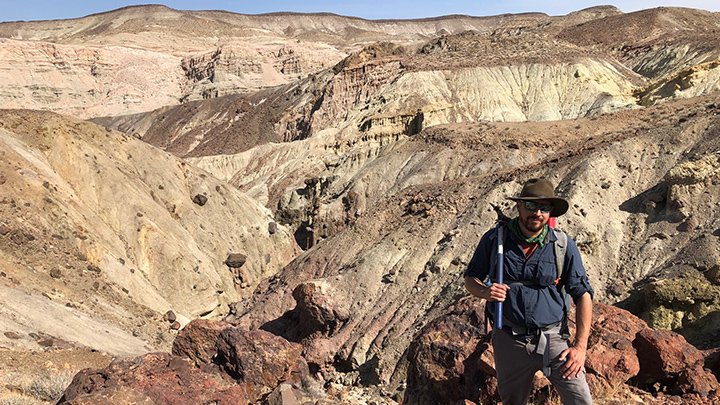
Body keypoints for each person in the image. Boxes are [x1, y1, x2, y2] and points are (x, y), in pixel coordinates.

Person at [464, 178, 594, 405]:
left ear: (551, 212)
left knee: (580, 399)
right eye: (531, 205)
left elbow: (583, 294)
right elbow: (471, 278)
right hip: (509, 340)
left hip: (554, 339)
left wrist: (580, 347)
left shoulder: (562, 244)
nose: (537, 212)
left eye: (544, 207)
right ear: (519, 206)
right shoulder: (495, 239)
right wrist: (485, 292)